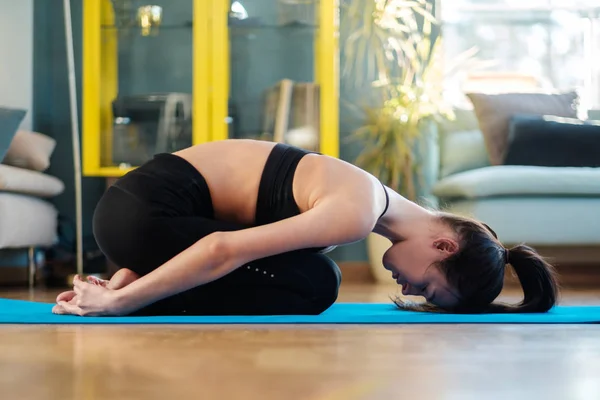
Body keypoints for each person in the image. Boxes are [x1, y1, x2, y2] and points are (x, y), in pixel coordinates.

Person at [53, 139, 559, 317]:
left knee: (308, 272)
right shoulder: (357, 210)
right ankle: (128, 291)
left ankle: (132, 279)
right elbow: (223, 248)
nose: (409, 288)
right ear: (444, 244)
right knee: (318, 281)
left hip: (137, 218)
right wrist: (118, 308)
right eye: (428, 285)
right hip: (142, 216)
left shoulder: (366, 202)